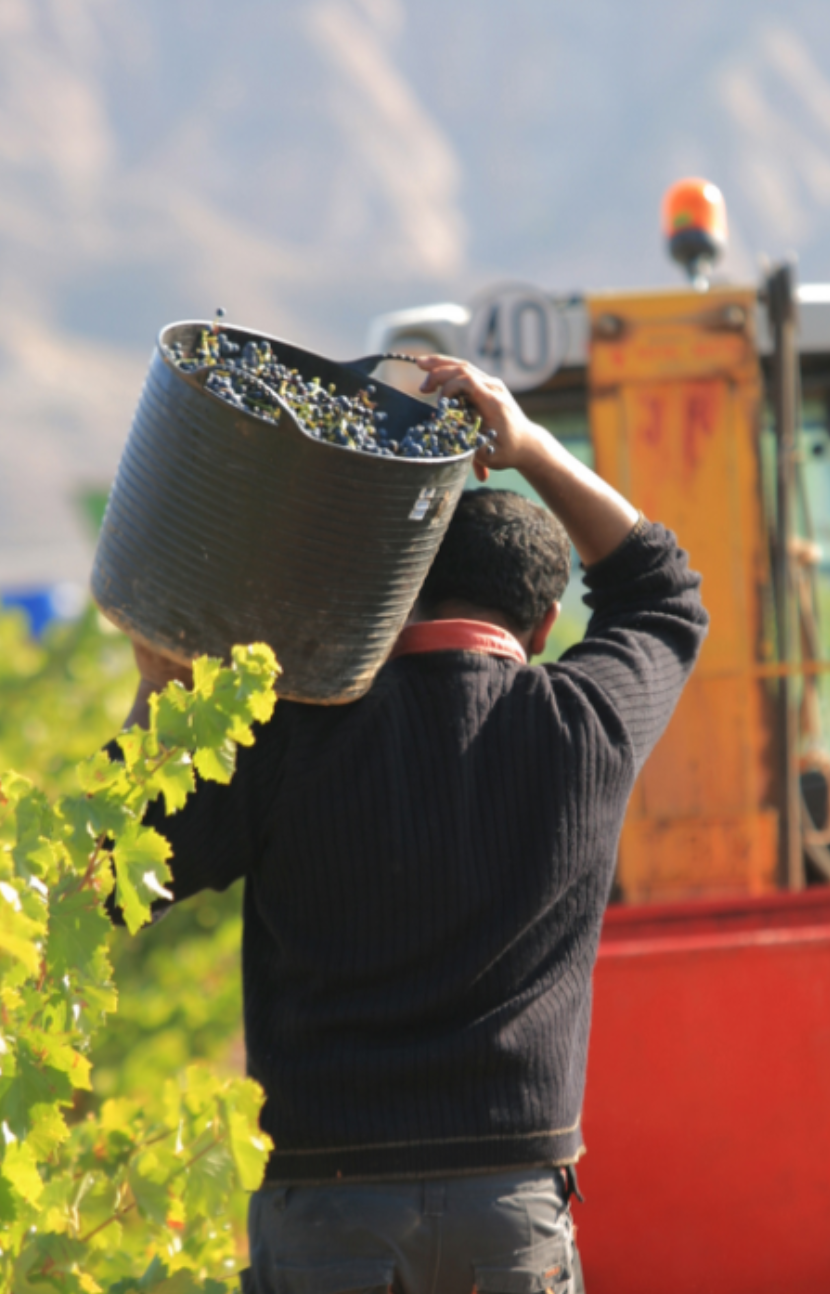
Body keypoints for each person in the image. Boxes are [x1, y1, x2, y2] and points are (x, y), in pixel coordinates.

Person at [124, 355, 707, 1294]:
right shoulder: (588, 726)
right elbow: (665, 590)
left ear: (395, 589)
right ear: (548, 620)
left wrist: (158, 692)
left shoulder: (287, 738)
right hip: (510, 1210)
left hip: (327, 1210)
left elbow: (114, 874)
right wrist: (529, 447)